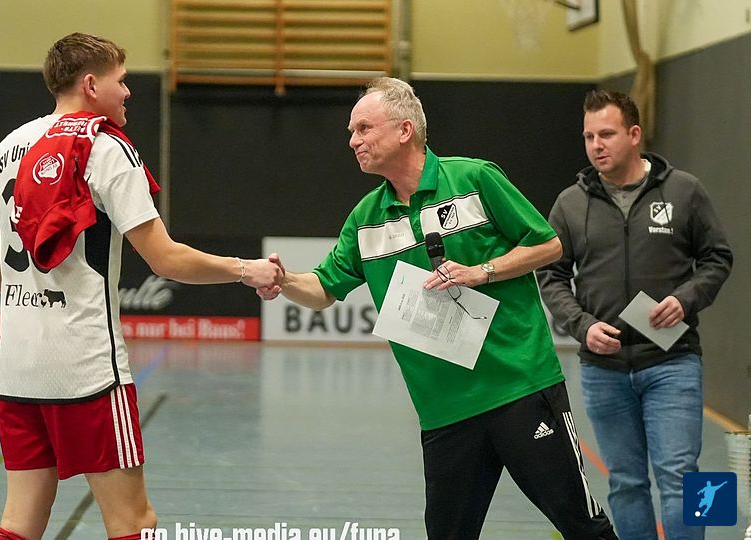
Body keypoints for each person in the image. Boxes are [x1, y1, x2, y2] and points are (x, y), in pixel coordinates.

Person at [258, 77, 616, 539]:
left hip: (520, 389)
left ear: (404, 130)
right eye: (352, 132)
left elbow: (548, 245)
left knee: (583, 526)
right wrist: (285, 280)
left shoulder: (474, 179)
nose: (353, 141)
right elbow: (324, 288)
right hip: (444, 412)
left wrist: (481, 271)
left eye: (364, 128)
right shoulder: (366, 219)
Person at [0, 32, 282, 540]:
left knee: (20, 522)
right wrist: (246, 269)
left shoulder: (10, 145)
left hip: (18, 366)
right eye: (121, 80)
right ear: (91, 85)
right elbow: (166, 259)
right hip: (86, 368)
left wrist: (33, 301)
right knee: (134, 522)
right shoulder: (105, 145)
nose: (128, 91)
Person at [539, 90, 733, 540]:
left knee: (684, 477)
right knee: (625, 484)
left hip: (674, 362)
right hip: (603, 370)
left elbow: (717, 258)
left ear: (634, 134)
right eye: (589, 136)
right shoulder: (570, 203)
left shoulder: (684, 190)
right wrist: (583, 326)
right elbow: (550, 274)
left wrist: (686, 299)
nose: (596, 145)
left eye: (606, 134)